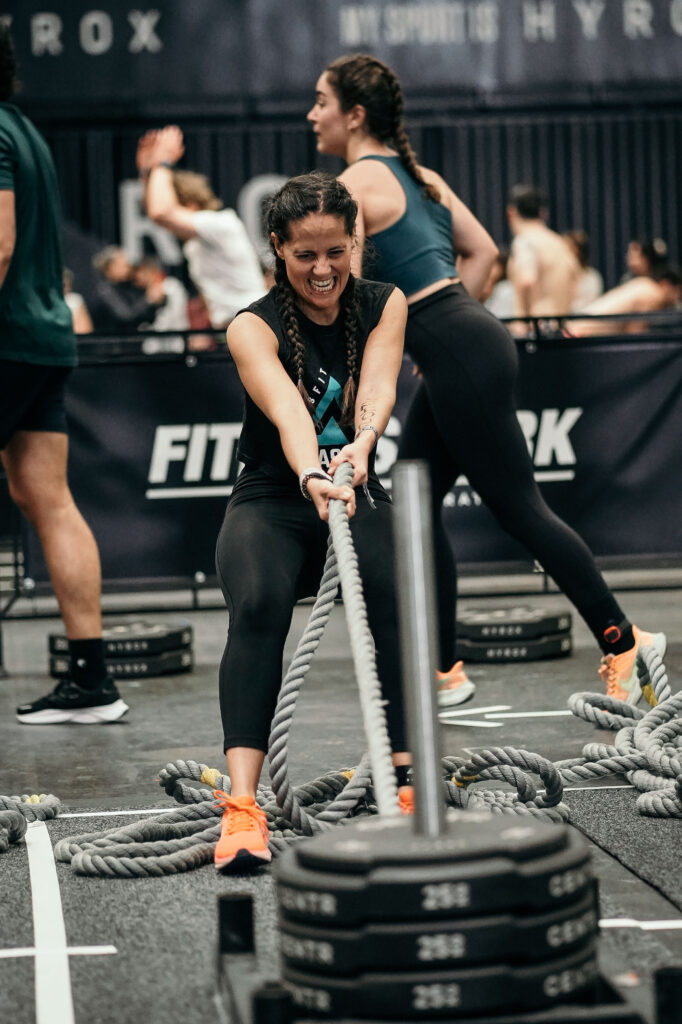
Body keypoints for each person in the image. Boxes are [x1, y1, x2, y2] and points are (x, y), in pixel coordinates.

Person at [307, 52, 666, 711]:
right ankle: (443, 671)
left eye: (321, 102)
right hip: (466, 339)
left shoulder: (357, 181)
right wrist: (434, 335)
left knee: (519, 508)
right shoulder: (423, 177)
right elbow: (484, 255)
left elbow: (348, 296)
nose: (312, 114)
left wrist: (413, 341)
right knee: (413, 506)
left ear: (354, 116)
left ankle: (625, 640)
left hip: (460, 347)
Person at [214, 170, 411, 872]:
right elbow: (290, 413)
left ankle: (405, 779)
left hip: (357, 483)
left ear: (355, 242)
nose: (323, 269)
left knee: (396, 597)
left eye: (337, 251)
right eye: (306, 255)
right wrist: (311, 473)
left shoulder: (386, 303)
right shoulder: (251, 326)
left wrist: (359, 452)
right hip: (274, 493)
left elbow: (379, 386)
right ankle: (242, 808)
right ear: (277, 247)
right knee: (260, 604)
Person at [0, 24, 127, 725]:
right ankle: (91, 679)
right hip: (43, 335)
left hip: (9, 337)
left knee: (45, 496)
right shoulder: (23, 128)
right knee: (43, 494)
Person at [136, 126, 266, 333]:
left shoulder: (221, 224)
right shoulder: (196, 243)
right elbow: (157, 211)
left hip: (255, 327)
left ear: (189, 204)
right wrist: (147, 173)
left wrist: (162, 163)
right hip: (232, 328)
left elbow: (161, 211)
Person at [506, 184, 580, 322]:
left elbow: (527, 279)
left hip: (538, 331)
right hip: (560, 327)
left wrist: (523, 322)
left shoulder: (524, 241)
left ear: (511, 212)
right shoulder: (560, 243)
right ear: (543, 213)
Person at [567, 263, 682, 336]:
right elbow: (634, 335)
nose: (678, 297)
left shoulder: (644, 284)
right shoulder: (653, 295)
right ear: (666, 285)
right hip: (580, 336)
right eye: (678, 291)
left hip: (576, 329)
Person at [90, 244, 163, 333]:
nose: (128, 269)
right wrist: (148, 300)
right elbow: (125, 316)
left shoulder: (128, 286)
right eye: (124, 265)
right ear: (110, 267)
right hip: (114, 342)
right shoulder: (105, 291)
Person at [562, 230, 604, 312]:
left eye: (566, 248)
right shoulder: (559, 276)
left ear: (576, 250)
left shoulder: (591, 277)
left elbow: (591, 307)